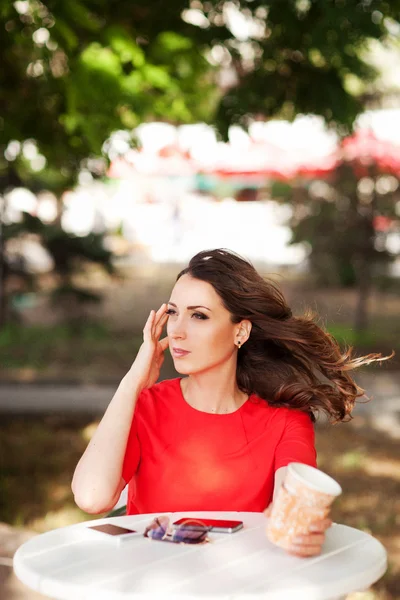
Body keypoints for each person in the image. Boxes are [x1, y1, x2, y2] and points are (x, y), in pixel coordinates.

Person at [72, 248, 391, 557]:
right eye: (173, 312)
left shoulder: (286, 420)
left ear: (241, 332)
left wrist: (303, 532)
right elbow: (92, 498)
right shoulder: (146, 404)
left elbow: (293, 508)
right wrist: (132, 383)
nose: (178, 331)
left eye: (199, 315)